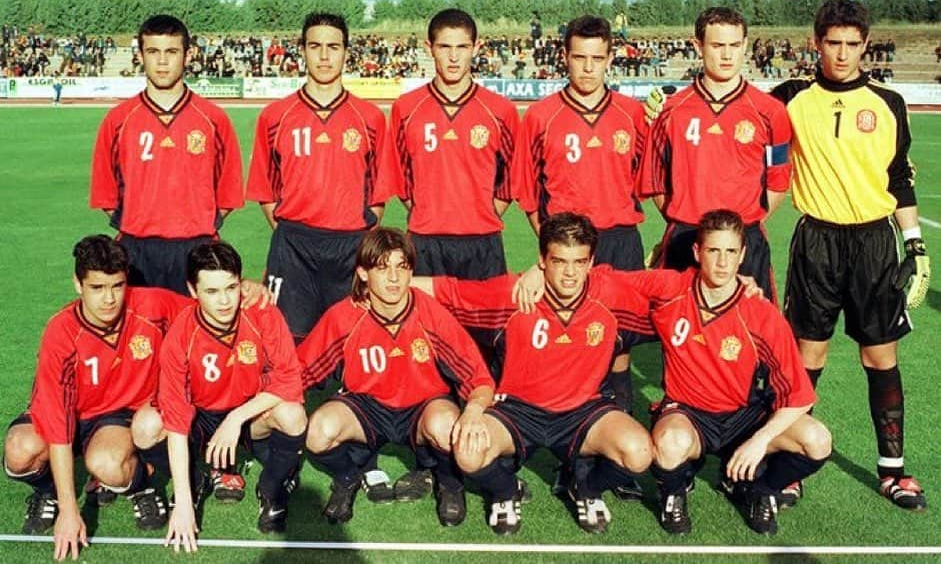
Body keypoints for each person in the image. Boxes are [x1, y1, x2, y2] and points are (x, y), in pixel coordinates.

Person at [770, 0, 928, 510]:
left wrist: (915, 245)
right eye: (832, 43)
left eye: (851, 44)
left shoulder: (889, 102)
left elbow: (899, 179)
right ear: (816, 43)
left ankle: (893, 472)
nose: (841, 53)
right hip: (817, 240)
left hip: (875, 244)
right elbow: (734, 122)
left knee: (879, 356)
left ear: (865, 45)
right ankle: (791, 465)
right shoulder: (790, 96)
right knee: (806, 357)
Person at [416, 213, 654, 535]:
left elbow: (678, 295)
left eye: (579, 262)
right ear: (542, 260)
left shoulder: (612, 296)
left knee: (638, 453)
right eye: (559, 261)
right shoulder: (512, 295)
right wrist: (379, 283)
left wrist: (744, 287)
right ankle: (505, 492)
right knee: (468, 453)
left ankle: (584, 488)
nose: (570, 273)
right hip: (517, 410)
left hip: (583, 411)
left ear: (592, 261)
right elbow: (450, 292)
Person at [611, 210, 831, 536]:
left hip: (743, 416)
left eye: (730, 252)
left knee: (817, 440)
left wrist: (760, 441)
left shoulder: (760, 312)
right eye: (714, 251)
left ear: (743, 255)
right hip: (688, 415)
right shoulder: (671, 289)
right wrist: (536, 272)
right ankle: (674, 492)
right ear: (698, 253)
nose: (723, 262)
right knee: (671, 443)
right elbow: (603, 278)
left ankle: (760, 489)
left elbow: (799, 396)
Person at [3, 236, 190, 561]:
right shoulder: (61, 333)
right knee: (19, 452)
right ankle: (49, 494)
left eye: (117, 286)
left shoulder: (151, 306)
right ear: (78, 284)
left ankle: (142, 484)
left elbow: (206, 311)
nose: (109, 299)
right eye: (97, 287)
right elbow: (59, 428)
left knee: (106, 464)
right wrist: (69, 509)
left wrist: (246, 290)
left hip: (116, 418)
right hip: (69, 415)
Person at [297, 228, 495, 527]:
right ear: (363, 273)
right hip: (368, 409)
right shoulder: (345, 316)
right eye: (382, 268)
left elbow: (478, 377)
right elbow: (301, 372)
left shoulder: (430, 313)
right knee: (318, 431)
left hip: (423, 409)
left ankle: (449, 483)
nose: (393, 278)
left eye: (401, 267)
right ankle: (347, 478)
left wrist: (474, 410)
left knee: (446, 425)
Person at [511, 14, 648, 421]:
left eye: (597, 58)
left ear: (610, 59)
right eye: (579, 57)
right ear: (564, 58)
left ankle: (619, 438)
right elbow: (528, 193)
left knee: (619, 345)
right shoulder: (540, 116)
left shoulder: (632, 114)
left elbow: (642, 181)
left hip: (620, 239)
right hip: (566, 247)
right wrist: (550, 249)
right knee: (570, 342)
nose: (588, 67)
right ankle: (568, 442)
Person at [143, 242, 306, 548]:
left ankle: (272, 488)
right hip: (200, 419)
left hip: (248, 413)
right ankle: (195, 481)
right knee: (145, 427)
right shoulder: (181, 334)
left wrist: (236, 418)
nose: (224, 301)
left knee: (293, 414)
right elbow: (176, 422)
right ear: (193, 291)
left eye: (231, 288)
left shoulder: (261, 312)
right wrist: (182, 504)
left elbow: (289, 379)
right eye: (212, 292)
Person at [246, 12, 390, 344]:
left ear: (346, 52)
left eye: (333, 47)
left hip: (351, 245)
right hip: (293, 245)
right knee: (287, 341)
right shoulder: (274, 116)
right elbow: (265, 189)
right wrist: (292, 233)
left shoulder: (370, 118)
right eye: (315, 46)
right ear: (302, 50)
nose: (324, 56)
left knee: (353, 340)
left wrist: (358, 235)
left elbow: (379, 193)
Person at [639, 7, 792, 301]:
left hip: (745, 240)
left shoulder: (772, 113)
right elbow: (657, 184)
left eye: (735, 46)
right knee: (678, 338)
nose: (727, 55)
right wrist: (685, 219)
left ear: (745, 46)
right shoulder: (670, 111)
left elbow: (777, 182)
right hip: (685, 238)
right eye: (717, 45)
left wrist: (738, 226)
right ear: (698, 46)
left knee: (750, 338)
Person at [89, 14, 244, 295]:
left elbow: (228, 193)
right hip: (136, 250)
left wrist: (193, 222)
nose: (162, 62)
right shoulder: (118, 120)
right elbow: (106, 194)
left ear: (188, 54)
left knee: (193, 337)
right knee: (140, 338)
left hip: (197, 248)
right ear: (140, 55)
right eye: (153, 52)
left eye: (171, 51)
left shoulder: (214, 119)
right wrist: (143, 219)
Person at [380, 8, 518, 281]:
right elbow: (400, 174)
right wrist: (428, 210)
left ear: (476, 47)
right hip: (425, 242)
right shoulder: (406, 108)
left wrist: (481, 212)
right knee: (426, 324)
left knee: (487, 324)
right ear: (428, 47)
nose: (454, 57)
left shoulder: (501, 111)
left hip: (483, 243)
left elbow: (513, 176)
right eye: (444, 47)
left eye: (462, 47)